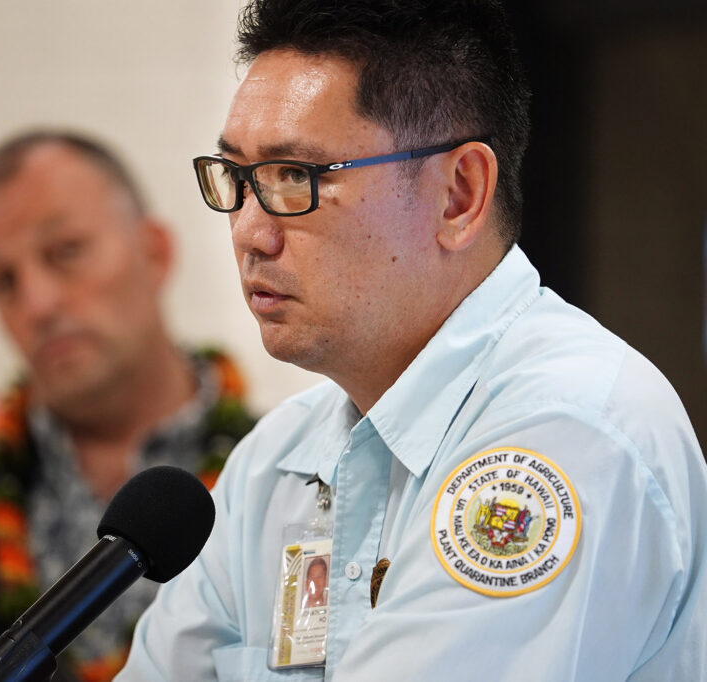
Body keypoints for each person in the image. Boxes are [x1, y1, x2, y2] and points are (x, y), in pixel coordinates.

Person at [117, 1, 707, 680]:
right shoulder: (272, 463)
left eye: (295, 178)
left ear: (459, 195)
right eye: (240, 178)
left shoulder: (569, 432)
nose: (250, 231)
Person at [0, 130, 256, 680]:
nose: (37, 302)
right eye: (3, 280)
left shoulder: (286, 471)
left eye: (65, 252)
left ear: (154, 253)